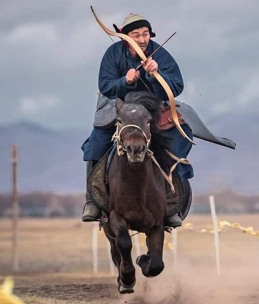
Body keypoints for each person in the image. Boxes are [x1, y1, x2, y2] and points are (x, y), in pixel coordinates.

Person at [81, 12, 194, 226]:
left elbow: (177, 86)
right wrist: (125, 81)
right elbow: (105, 86)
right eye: (136, 35)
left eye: (145, 34)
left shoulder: (160, 54)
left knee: (179, 138)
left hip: (153, 108)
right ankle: (93, 201)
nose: (142, 39)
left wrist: (157, 75)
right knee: (95, 143)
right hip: (119, 107)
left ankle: (173, 204)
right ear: (125, 37)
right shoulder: (113, 54)